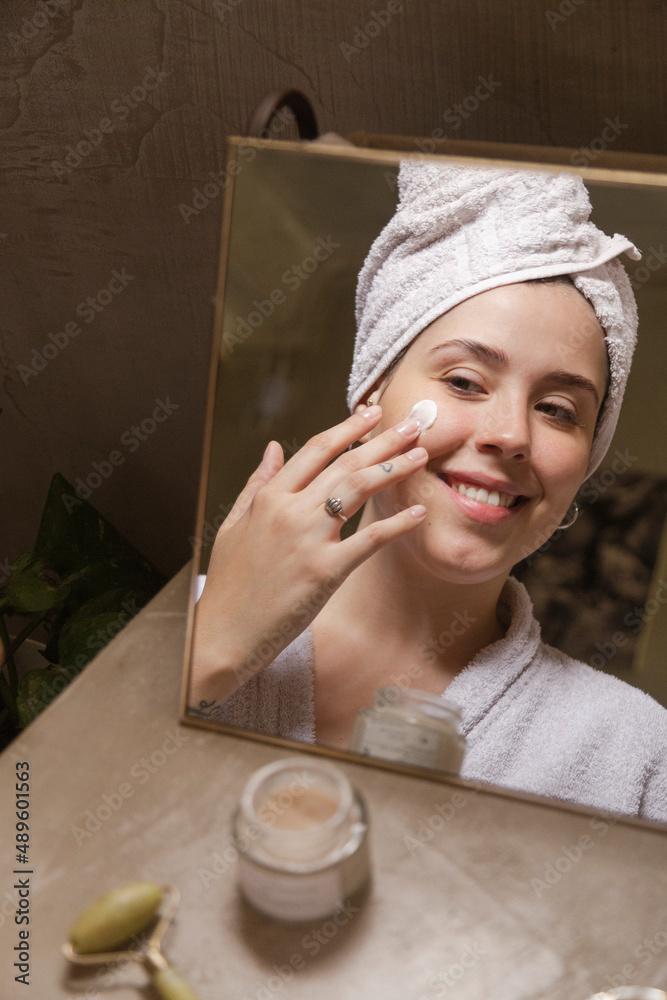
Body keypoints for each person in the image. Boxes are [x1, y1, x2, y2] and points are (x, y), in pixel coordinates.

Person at [189, 159, 667, 823]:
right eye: (464, 382)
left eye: (558, 410)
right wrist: (209, 654)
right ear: (371, 395)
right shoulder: (181, 627)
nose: (511, 434)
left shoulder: (635, 752)